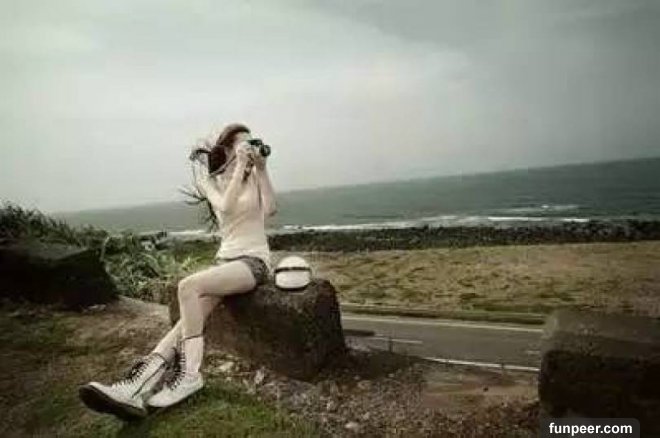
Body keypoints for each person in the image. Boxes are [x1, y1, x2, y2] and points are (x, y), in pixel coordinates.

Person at [79, 123, 278, 418]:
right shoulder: (210, 182)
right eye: (243, 144)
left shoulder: (253, 178)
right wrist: (239, 168)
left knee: (188, 286)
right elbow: (225, 207)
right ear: (227, 149)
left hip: (253, 263)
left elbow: (270, 209)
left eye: (252, 143)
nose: (249, 149)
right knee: (183, 326)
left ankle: (189, 376)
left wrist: (262, 169)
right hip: (226, 263)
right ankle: (134, 389)